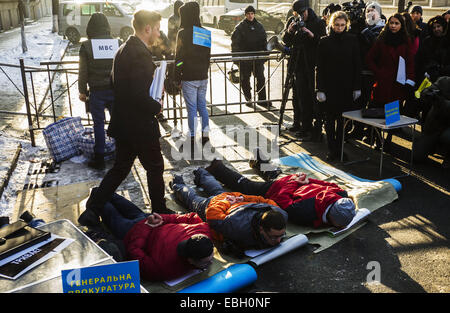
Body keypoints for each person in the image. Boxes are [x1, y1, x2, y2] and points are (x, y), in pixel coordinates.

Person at [83, 10, 174, 221]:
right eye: (158, 29)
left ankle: (93, 208)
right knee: (155, 167)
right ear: (147, 28)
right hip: (140, 125)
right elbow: (138, 95)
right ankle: (160, 210)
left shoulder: (123, 48)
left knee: (121, 167)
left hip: (123, 122)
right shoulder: (140, 55)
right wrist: (156, 107)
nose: (159, 34)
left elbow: (117, 85)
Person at [81, 190, 214, 281]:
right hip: (147, 219)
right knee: (101, 192)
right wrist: (161, 218)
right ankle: (91, 214)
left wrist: (147, 226)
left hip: (132, 230)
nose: (211, 262)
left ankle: (91, 213)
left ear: (190, 260)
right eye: (208, 261)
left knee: (102, 200)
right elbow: (189, 217)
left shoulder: (162, 269)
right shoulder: (204, 230)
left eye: (208, 260)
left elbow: (134, 251)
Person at [203, 159, 357, 229]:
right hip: (283, 187)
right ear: (332, 219)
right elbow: (282, 199)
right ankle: (218, 168)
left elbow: (330, 185)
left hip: (295, 184)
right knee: (248, 186)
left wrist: (307, 181)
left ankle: (261, 159)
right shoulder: (305, 212)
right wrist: (297, 182)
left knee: (275, 176)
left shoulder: (342, 195)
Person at [169, 169, 288, 256]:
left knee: (217, 190)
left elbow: (262, 200)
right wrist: (228, 201)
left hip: (233, 201)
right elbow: (211, 215)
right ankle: (178, 183)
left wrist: (242, 198)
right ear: (262, 229)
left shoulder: (280, 213)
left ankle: (201, 172)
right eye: (274, 237)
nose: (278, 241)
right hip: (217, 206)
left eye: (281, 235)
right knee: (192, 200)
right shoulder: (236, 227)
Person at [316, 11, 361, 161]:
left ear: (346, 25)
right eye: (336, 25)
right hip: (329, 88)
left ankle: (340, 150)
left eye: (342, 25)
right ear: (332, 24)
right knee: (329, 121)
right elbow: (320, 68)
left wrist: (357, 87)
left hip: (346, 88)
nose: (339, 28)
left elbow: (357, 65)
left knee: (343, 122)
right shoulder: (324, 41)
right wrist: (320, 89)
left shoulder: (353, 40)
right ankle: (331, 149)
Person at [366, 13, 416, 149]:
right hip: (382, 82)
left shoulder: (406, 42)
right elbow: (369, 58)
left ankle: (388, 139)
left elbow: (410, 63)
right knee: (378, 112)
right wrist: (378, 72)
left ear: (401, 26)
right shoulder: (381, 40)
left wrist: (409, 80)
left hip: (397, 84)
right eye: (391, 23)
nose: (393, 26)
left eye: (396, 23)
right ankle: (377, 138)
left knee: (392, 115)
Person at [78, 13, 119, 170]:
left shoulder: (87, 46)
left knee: (98, 125)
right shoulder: (117, 42)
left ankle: (100, 157)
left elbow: (83, 71)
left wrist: (82, 91)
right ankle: (120, 153)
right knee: (118, 122)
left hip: (96, 92)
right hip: (115, 90)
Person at [281, 0, 326, 140]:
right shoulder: (292, 21)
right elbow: (285, 41)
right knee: (298, 96)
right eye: (297, 14)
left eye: (302, 13)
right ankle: (299, 124)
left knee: (310, 97)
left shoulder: (318, 22)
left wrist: (312, 36)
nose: (300, 16)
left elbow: (323, 43)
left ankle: (312, 128)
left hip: (312, 65)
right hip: (297, 63)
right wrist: (289, 31)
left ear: (307, 10)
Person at [174, 1, 212, 150]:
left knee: (191, 109)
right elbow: (207, 56)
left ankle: (190, 140)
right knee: (202, 106)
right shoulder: (204, 32)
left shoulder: (183, 33)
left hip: (189, 77)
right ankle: (205, 137)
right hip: (203, 76)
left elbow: (179, 58)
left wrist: (177, 77)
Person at [231, 5, 271, 108]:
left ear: (254, 14)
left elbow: (264, 42)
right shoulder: (240, 27)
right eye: (248, 14)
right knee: (245, 79)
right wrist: (236, 59)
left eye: (252, 13)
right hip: (244, 59)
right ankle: (248, 99)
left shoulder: (259, 26)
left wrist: (264, 56)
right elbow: (235, 44)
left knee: (261, 78)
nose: (250, 16)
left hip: (258, 58)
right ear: (245, 15)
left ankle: (262, 100)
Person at [413, 76, 450, 169]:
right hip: (435, 125)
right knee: (417, 157)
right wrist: (428, 93)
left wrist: (442, 102)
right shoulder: (444, 81)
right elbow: (429, 90)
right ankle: (432, 147)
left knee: (447, 137)